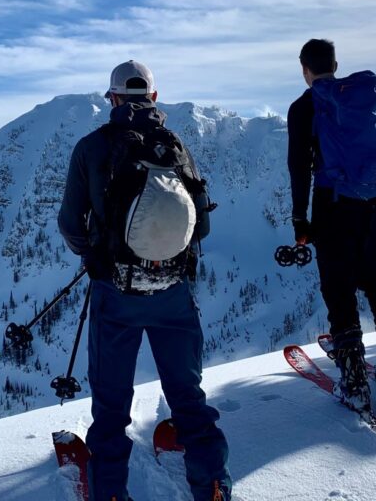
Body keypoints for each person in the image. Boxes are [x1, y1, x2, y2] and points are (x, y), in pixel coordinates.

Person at [58, 60, 232, 501]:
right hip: (173, 291)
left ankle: (111, 493)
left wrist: (97, 256)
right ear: (154, 98)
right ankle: (212, 487)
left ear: (112, 99)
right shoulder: (174, 145)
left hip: (115, 293)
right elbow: (202, 227)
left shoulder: (91, 148)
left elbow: (69, 224)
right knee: (189, 399)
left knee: (112, 406)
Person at [287, 39, 376, 410]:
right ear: (335, 64)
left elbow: (298, 166)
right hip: (374, 205)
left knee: (338, 286)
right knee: (374, 276)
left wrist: (300, 218)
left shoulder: (304, 107)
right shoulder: (369, 98)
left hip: (333, 206)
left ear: (304, 69)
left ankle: (355, 381)